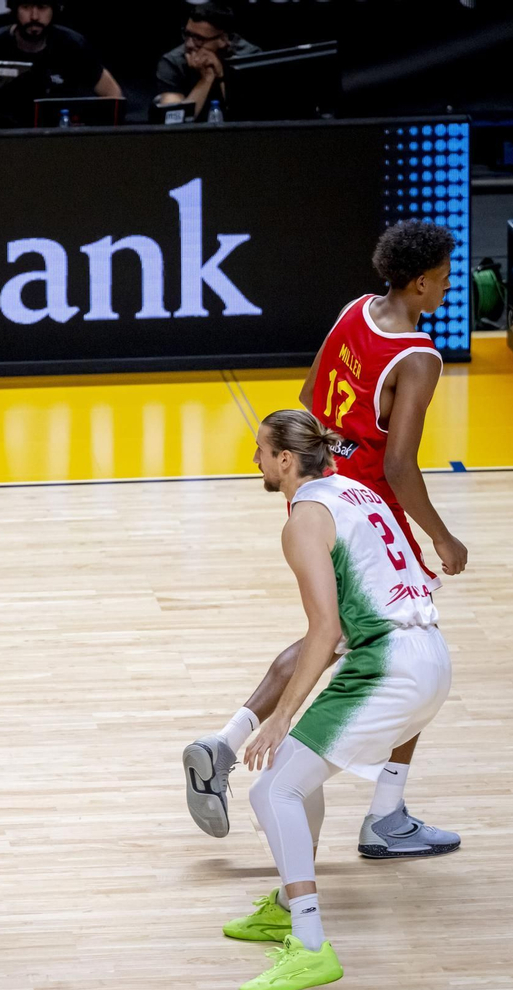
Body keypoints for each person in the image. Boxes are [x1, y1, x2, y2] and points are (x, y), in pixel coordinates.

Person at [185, 221, 465, 859]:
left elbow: (311, 397)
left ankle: (224, 746)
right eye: (444, 281)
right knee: (404, 642)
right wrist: (441, 537)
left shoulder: (355, 311)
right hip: (370, 508)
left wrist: (328, 461)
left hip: (326, 483)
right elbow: (399, 465)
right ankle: (383, 814)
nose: (447, 290)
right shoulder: (418, 356)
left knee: (337, 633)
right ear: (419, 282)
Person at [225, 409, 450, 990]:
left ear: (284, 460)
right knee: (298, 778)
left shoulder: (302, 520)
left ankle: (309, 944)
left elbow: (323, 630)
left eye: (260, 451)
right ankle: (283, 902)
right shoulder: (357, 490)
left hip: (389, 667)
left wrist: (280, 716)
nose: (255, 461)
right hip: (431, 654)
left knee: (273, 789)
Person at [0, 1, 122, 102]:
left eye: (42, 6)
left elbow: (113, 94)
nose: (34, 16)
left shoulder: (73, 46)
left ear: (54, 9)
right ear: (13, 10)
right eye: (26, 6)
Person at [155, 3, 260, 119]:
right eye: (187, 34)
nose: (189, 44)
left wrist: (221, 78)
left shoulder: (249, 57)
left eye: (199, 39)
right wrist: (206, 79)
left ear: (223, 39)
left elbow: (250, 115)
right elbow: (174, 121)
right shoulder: (173, 62)